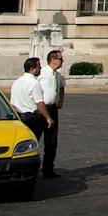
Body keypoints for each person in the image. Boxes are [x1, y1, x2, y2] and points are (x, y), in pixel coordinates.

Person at [11, 56, 51, 155]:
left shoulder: (17, 82)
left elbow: (12, 103)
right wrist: (48, 117)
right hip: (32, 118)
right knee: (32, 144)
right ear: (32, 69)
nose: (40, 69)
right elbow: (39, 103)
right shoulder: (34, 83)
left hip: (19, 117)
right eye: (39, 67)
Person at [39, 48, 66, 177]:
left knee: (51, 141)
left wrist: (60, 101)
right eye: (61, 59)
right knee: (35, 137)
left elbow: (61, 87)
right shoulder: (42, 73)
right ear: (54, 60)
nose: (62, 61)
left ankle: (48, 168)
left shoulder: (59, 75)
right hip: (40, 108)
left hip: (53, 109)